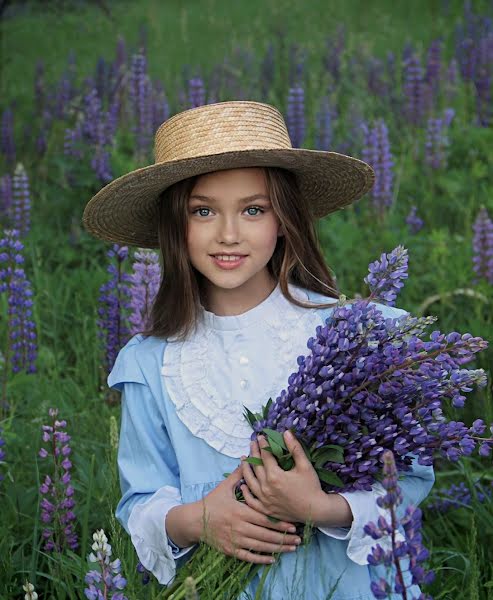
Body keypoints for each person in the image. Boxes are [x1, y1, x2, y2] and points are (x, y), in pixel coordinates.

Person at [82, 100, 435, 600]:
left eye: (253, 210)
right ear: (174, 226)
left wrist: (320, 508)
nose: (229, 234)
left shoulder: (356, 336)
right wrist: (198, 520)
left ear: (284, 218)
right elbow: (142, 502)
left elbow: (411, 477)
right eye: (202, 211)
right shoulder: (151, 363)